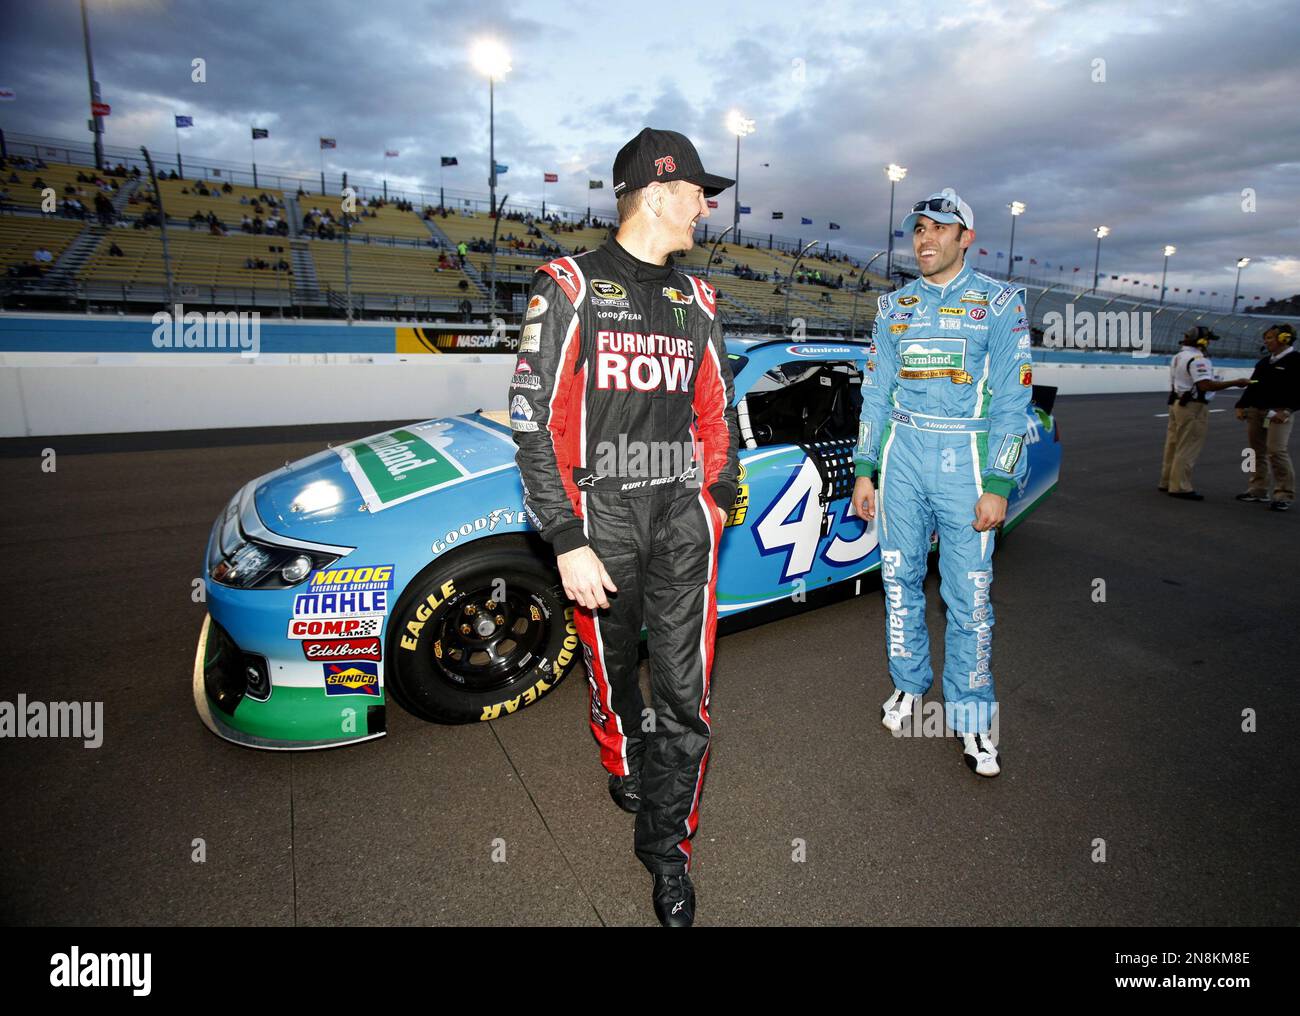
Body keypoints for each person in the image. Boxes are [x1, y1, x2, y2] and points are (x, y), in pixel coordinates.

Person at [510, 127, 738, 927]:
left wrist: (715, 497)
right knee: (611, 670)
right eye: (698, 195)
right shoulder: (568, 285)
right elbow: (529, 422)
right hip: (599, 520)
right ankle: (620, 753)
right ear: (657, 193)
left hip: (680, 520)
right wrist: (566, 536)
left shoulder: (698, 299)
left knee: (687, 694)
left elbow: (717, 411)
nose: (706, 211)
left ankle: (668, 849)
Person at [852, 189, 1029, 778]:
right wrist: (864, 468)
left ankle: (973, 718)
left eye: (937, 229)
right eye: (917, 229)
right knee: (898, 581)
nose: (924, 240)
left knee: (968, 597)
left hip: (967, 458)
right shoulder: (892, 307)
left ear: (964, 237)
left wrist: (1000, 482)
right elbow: (875, 394)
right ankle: (908, 687)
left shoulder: (1001, 303)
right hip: (901, 452)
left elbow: (1012, 400)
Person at [1159, 325, 1250, 500]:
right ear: (1202, 341)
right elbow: (1205, 385)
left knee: (1173, 444)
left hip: (1177, 401)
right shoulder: (1198, 359)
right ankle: (1180, 486)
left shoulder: (1178, 356)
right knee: (1188, 445)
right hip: (1192, 406)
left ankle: (1166, 480)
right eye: (1208, 340)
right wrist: (1236, 382)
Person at [1235, 323, 1299, 512]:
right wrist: (1241, 405)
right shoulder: (1264, 362)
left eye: (1270, 337)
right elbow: (1253, 384)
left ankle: (1284, 493)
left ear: (1284, 339)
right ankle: (1258, 489)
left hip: (1279, 413)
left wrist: (1287, 411)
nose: (1266, 341)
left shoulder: (1296, 361)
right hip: (1257, 411)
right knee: (1255, 451)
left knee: (1277, 451)